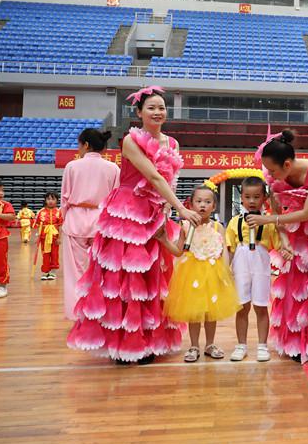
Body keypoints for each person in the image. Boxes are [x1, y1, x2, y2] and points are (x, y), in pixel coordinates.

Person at [67, 87, 201, 365]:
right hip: (127, 211)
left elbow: (169, 180)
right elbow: (152, 176)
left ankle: (148, 341)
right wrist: (180, 207)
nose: (158, 112)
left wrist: (166, 211)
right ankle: (125, 343)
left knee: (152, 278)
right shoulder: (131, 140)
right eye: (151, 107)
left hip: (156, 210)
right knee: (125, 279)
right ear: (138, 112)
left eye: (162, 107)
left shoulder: (172, 143)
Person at [247, 129, 308, 362]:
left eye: (272, 170)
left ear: (288, 164)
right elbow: (279, 211)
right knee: (295, 284)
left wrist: (267, 220)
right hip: (294, 228)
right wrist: (283, 242)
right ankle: (295, 342)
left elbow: (307, 213)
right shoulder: (274, 176)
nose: (268, 175)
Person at [161, 186, 240, 363]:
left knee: (210, 313)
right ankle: (194, 345)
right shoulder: (185, 225)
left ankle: (210, 344)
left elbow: (224, 251)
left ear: (214, 206)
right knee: (194, 312)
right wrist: (164, 240)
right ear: (190, 204)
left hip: (213, 273)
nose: (202, 205)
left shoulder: (218, 227)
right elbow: (178, 251)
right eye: (198, 201)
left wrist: (226, 272)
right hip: (191, 275)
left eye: (207, 202)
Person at [60, 128, 120, 320]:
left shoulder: (72, 166)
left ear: (86, 144)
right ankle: (101, 314)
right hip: (101, 221)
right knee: (101, 270)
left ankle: (79, 315)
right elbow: (116, 199)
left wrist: (64, 217)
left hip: (75, 219)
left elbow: (64, 197)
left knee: (75, 272)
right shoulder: (113, 168)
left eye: (79, 144)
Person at [226, 176, 283, 363]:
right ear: (241, 197)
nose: (252, 201)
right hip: (241, 264)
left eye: (257, 197)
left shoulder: (269, 221)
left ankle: (262, 346)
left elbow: (279, 242)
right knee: (242, 307)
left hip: (261, 263)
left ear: (264, 198)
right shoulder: (234, 222)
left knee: (260, 306)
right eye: (248, 197)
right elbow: (230, 248)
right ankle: (241, 345)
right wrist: (227, 270)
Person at [35, 192, 63, 281]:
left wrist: (59, 237)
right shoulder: (41, 212)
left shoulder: (59, 212)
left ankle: (53, 272)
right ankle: (46, 271)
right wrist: (38, 237)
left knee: (54, 254)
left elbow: (60, 226)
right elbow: (39, 226)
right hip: (44, 237)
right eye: (48, 199)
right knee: (45, 254)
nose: (50, 201)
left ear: (57, 201)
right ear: (45, 200)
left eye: (53, 199)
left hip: (54, 237)